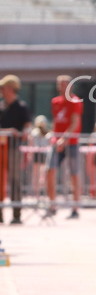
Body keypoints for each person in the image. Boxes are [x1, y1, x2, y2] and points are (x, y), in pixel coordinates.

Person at [46, 75, 84, 219]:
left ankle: (75, 207)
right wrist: (54, 137)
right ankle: (52, 204)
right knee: (50, 170)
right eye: (59, 84)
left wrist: (64, 139)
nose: (61, 87)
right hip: (57, 142)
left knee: (74, 174)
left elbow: (74, 123)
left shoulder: (75, 101)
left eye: (64, 84)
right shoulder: (55, 101)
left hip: (72, 142)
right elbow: (56, 122)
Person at [0, 75, 32, 224]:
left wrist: (26, 131)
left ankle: (16, 214)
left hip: (13, 148)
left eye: (3, 88)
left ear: (11, 89)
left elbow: (27, 124)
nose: (1, 91)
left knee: (15, 180)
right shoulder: (1, 107)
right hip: (1, 148)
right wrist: (8, 130)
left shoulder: (21, 107)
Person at [29, 115, 51, 198]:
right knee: (37, 175)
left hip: (43, 154)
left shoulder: (46, 133)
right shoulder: (35, 132)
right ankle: (37, 194)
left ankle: (40, 194)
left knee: (41, 175)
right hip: (38, 154)